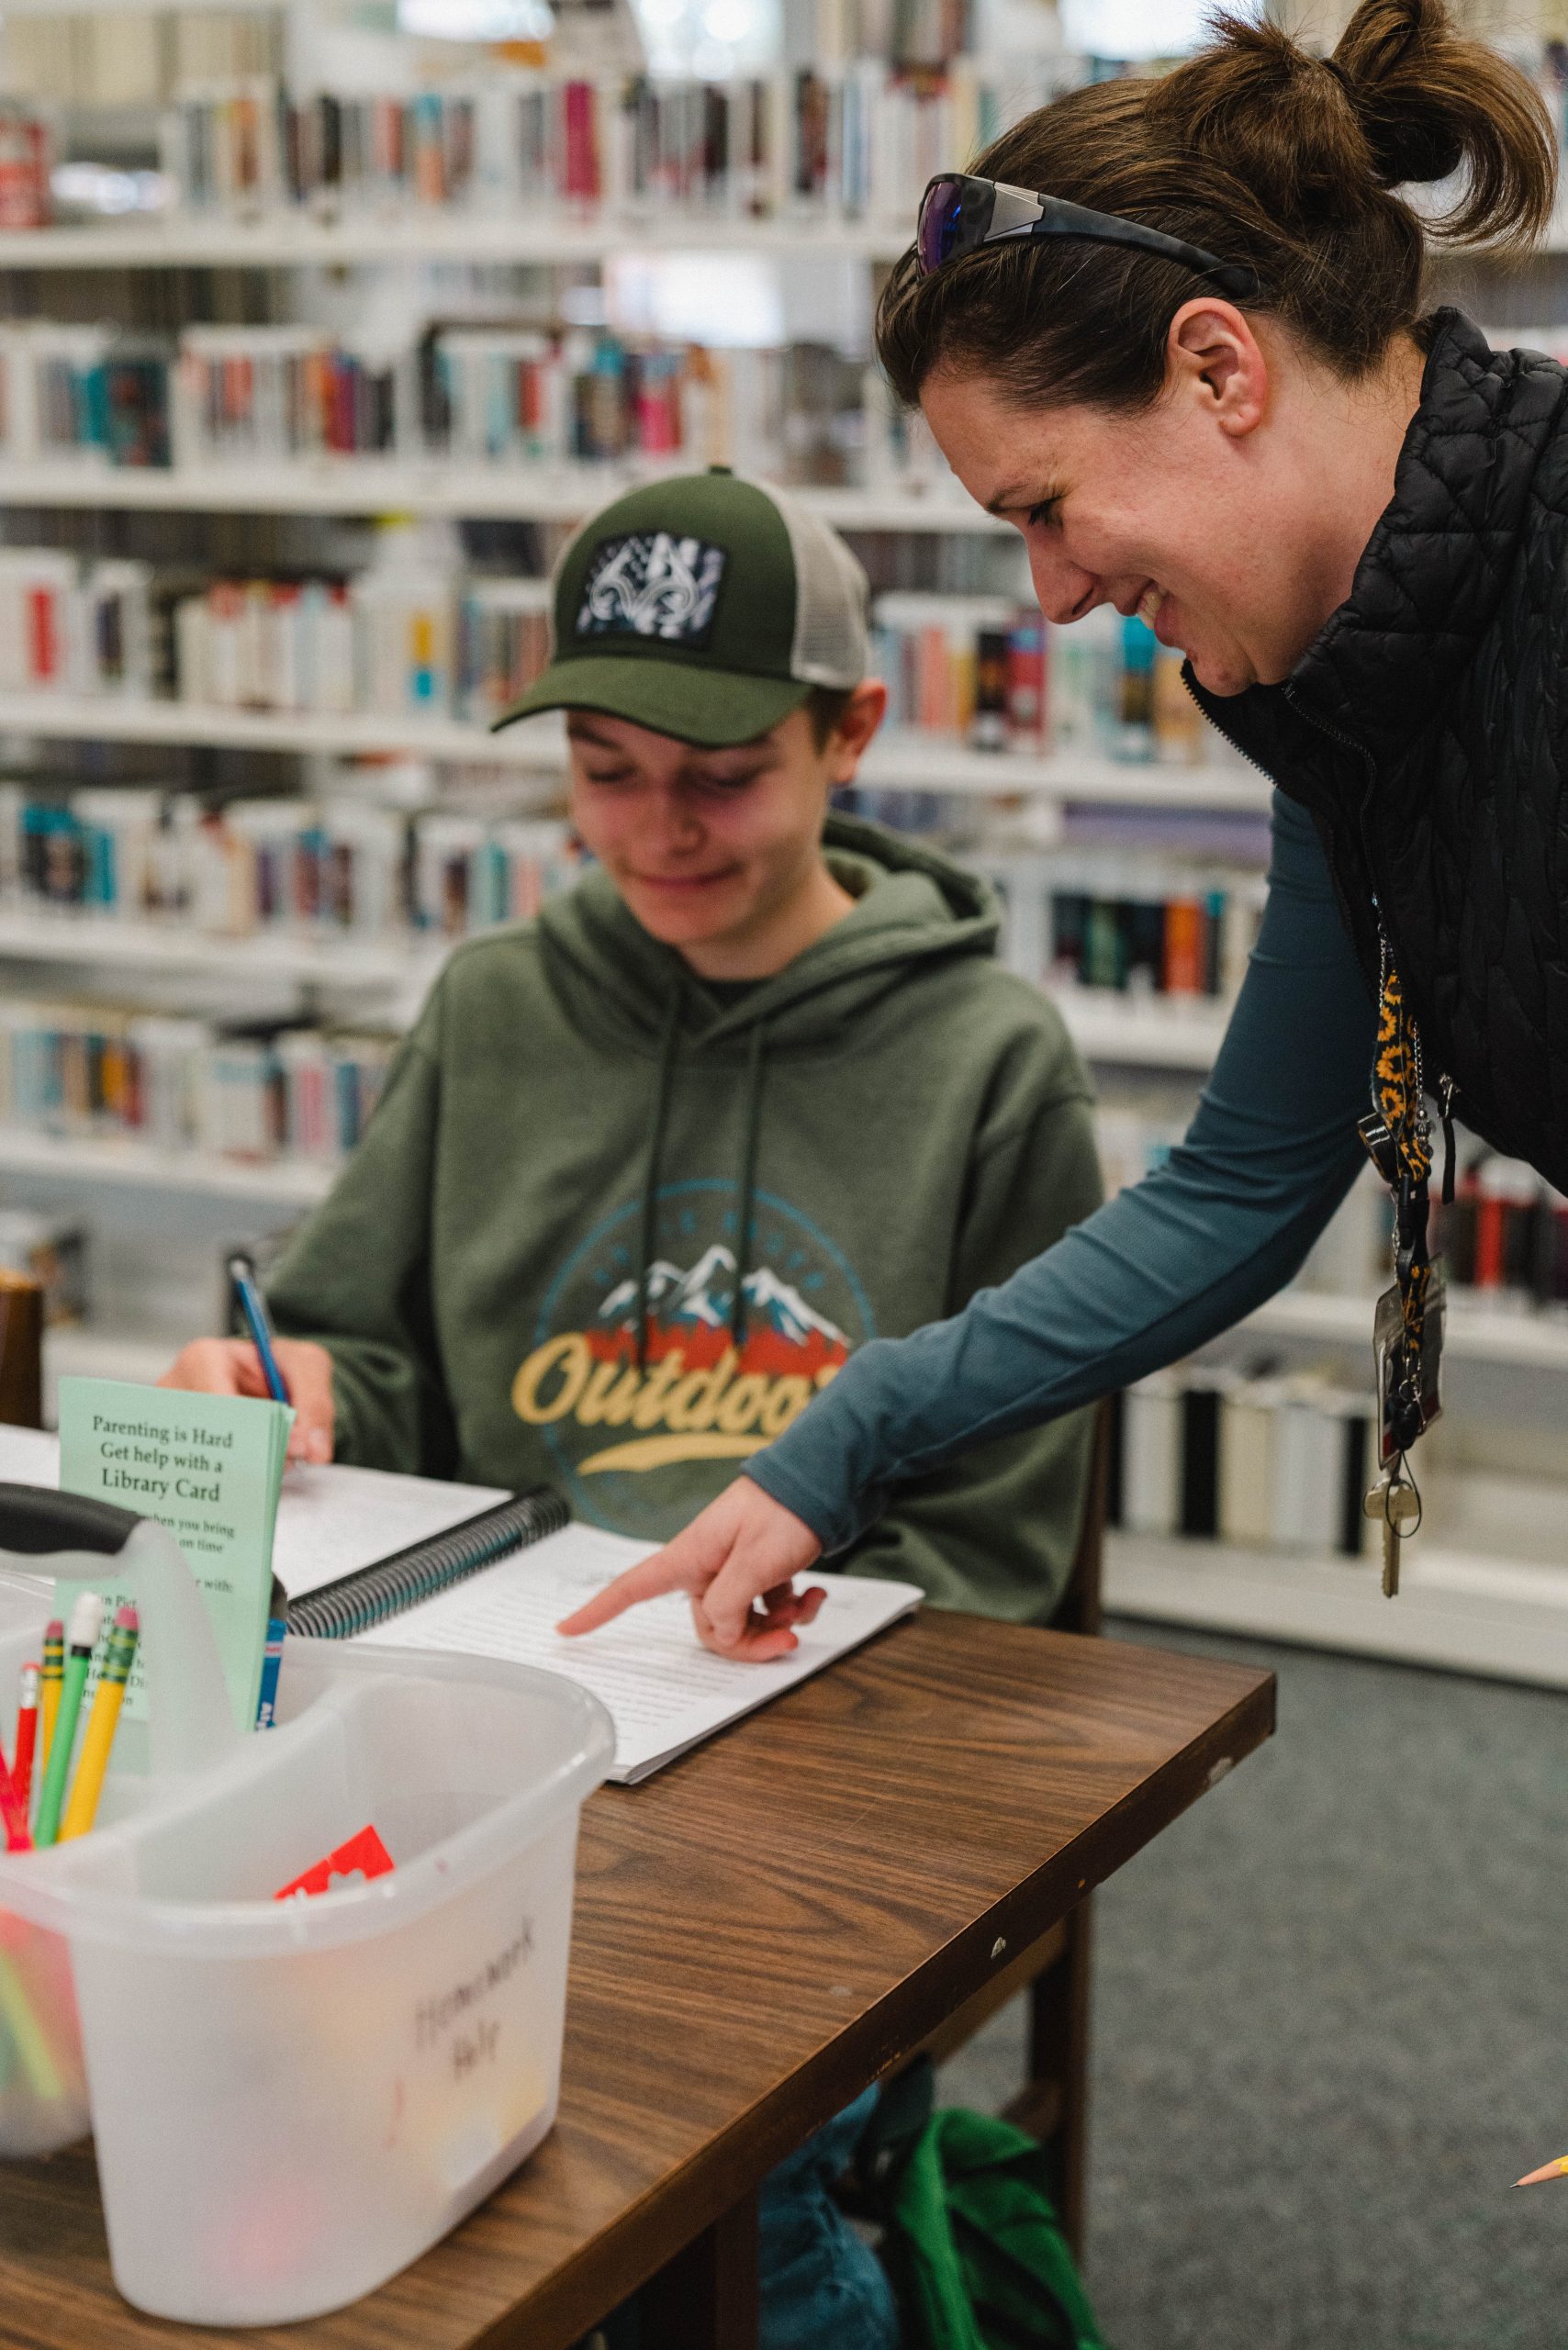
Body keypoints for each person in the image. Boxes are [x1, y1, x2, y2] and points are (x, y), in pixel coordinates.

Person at [160, 466, 1106, 2348]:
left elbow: (989, 1547)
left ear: (847, 732)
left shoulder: (984, 1063)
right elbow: (376, 1345)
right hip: (474, 1712)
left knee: (659, 2159)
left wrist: (765, 1641)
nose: (655, 830)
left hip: (808, 1760)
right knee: (224, 2024)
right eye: (603, 770)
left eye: (719, 773)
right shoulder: (500, 1001)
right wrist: (303, 1379)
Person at [560, 0, 1568, 1662]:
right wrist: (842, 1445)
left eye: (1042, 505)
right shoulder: (1349, 705)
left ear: (1216, 366)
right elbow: (1243, 1186)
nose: (1056, 592)